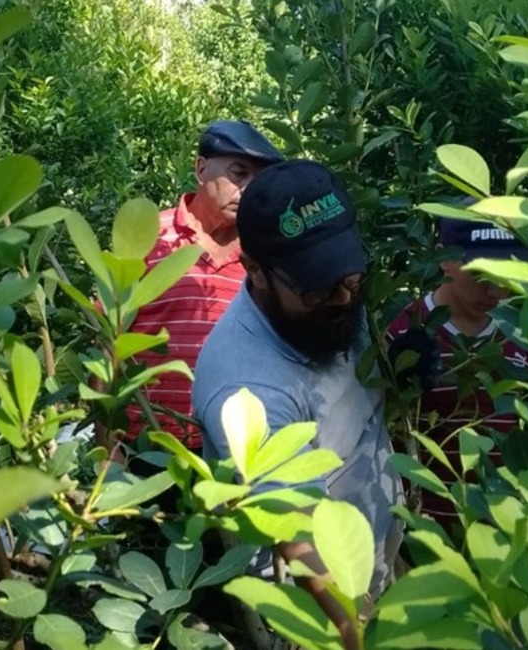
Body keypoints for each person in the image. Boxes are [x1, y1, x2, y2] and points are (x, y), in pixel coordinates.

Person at [192, 159, 404, 648]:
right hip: (315, 607)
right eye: (316, 287)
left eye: (349, 275)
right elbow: (298, 537)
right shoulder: (247, 388)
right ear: (255, 271)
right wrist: (354, 632)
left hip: (373, 554)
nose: (342, 296)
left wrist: (399, 364)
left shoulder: (328, 303)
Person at [122, 120, 283, 453]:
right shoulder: (149, 237)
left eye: (258, 180)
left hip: (231, 453)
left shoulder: (264, 255)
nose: (248, 189)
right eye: (239, 174)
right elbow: (107, 338)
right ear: (200, 168)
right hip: (144, 447)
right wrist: (107, 440)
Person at [386, 216, 528, 530]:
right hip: (421, 532)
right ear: (445, 260)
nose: (495, 290)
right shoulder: (402, 334)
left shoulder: (527, 335)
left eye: (505, 274)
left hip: (506, 528)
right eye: (479, 273)